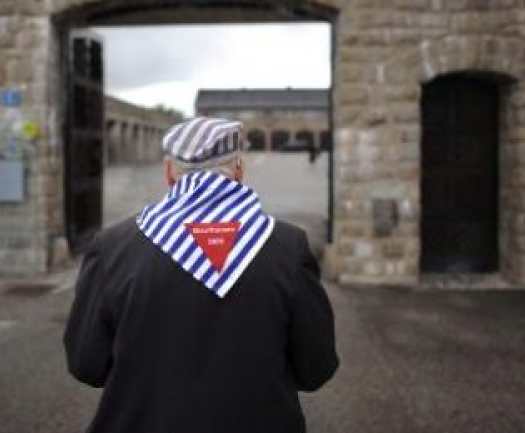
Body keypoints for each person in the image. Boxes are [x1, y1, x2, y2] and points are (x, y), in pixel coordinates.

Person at [64, 116, 338, 433]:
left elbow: (87, 365)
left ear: (169, 173)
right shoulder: (288, 248)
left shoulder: (111, 247)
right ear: (239, 171)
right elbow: (316, 369)